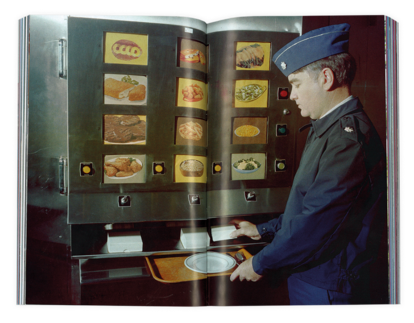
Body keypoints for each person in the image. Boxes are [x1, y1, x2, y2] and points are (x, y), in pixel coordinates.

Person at [229, 23, 387, 306]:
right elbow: (309, 206)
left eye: (296, 83)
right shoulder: (328, 128)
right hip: (311, 274)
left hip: (327, 284)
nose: (292, 94)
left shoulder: (346, 141)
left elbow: (317, 221)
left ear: (325, 78)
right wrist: (263, 230)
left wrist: (259, 263)